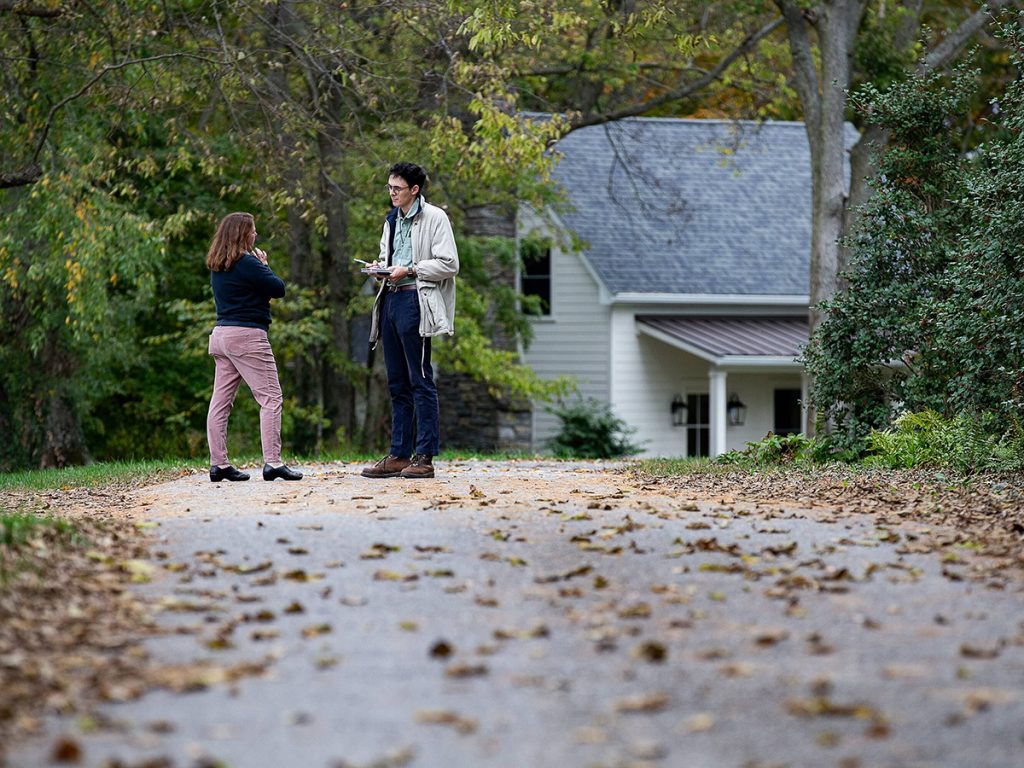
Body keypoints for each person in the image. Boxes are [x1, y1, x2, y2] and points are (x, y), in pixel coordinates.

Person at [361, 162, 459, 480]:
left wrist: (412, 268)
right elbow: (389, 259)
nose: (391, 193)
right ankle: (399, 454)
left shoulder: (435, 218)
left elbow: (449, 263)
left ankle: (424, 456)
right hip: (390, 297)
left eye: (397, 188)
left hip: (415, 300)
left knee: (420, 379)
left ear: (414, 190)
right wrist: (381, 267)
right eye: (389, 187)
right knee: (396, 383)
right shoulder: (391, 220)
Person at [205, 212, 302, 483]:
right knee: (271, 398)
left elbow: (256, 292)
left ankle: (219, 464)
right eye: (253, 230)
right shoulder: (247, 262)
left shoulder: (218, 264)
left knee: (220, 402)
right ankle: (273, 463)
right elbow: (278, 288)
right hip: (248, 337)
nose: (255, 234)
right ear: (242, 234)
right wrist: (265, 265)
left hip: (221, 336)